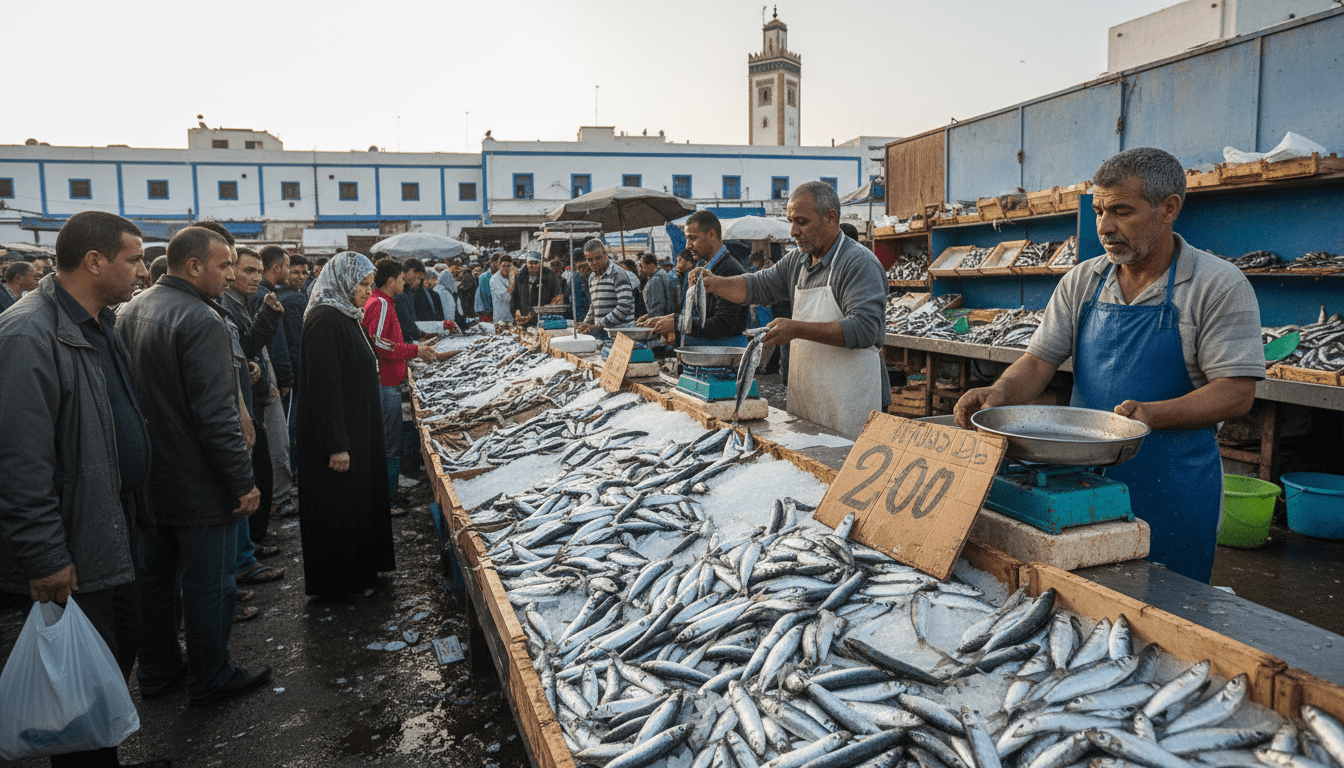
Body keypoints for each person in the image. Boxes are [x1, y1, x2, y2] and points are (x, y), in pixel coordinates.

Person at [954, 147, 1263, 583]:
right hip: (1080, 478)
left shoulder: (1218, 285)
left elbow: (1236, 392)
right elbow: (1040, 360)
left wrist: (1151, 416)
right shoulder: (1083, 280)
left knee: (1167, 608)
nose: (1104, 226)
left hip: (1173, 485)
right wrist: (998, 393)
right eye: (1099, 210)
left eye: (1121, 211)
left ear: (1168, 208)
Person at [0, 212, 173, 768]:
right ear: (95, 261)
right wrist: (46, 554)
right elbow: (20, 462)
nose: (143, 269)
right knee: (78, 686)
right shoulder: (29, 334)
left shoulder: (99, 321)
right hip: (75, 544)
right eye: (135, 258)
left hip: (113, 526)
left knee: (109, 665)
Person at [117, 226, 271, 706]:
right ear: (193, 267)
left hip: (150, 478)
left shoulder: (132, 309)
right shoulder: (200, 319)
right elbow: (215, 414)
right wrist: (241, 482)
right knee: (209, 585)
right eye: (224, 265)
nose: (230, 274)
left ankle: (159, 672)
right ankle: (211, 674)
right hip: (197, 480)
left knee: (156, 583)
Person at [696, 181, 889, 437]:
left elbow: (865, 329)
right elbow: (756, 286)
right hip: (810, 400)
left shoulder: (858, 263)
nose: (793, 231)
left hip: (852, 401)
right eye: (791, 221)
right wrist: (715, 283)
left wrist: (796, 328)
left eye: (802, 221)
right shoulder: (797, 260)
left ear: (830, 218)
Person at [297, 252, 397, 600]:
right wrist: (336, 444)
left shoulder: (346, 314)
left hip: (357, 427)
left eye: (370, 286)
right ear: (343, 282)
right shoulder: (325, 319)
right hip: (338, 437)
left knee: (357, 505)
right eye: (364, 285)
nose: (368, 294)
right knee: (338, 509)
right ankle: (341, 584)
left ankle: (363, 573)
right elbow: (323, 388)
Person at [220, 247, 289, 566]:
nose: (255, 278)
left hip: (253, 399)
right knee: (249, 476)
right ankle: (245, 553)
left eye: (258, 271)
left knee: (260, 470)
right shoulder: (223, 306)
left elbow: (247, 350)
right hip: (240, 409)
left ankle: (251, 542)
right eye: (248, 270)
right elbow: (238, 354)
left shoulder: (243, 303)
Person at [362, 258, 437, 505]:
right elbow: (380, 344)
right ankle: (388, 495)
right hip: (384, 384)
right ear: (391, 280)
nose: (405, 282)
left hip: (387, 381)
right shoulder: (381, 303)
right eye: (402, 278)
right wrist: (415, 352)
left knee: (390, 440)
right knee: (388, 443)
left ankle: (389, 491)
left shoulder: (382, 302)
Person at [645, 211, 751, 346]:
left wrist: (678, 323)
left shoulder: (729, 269)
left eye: (693, 238)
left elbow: (725, 324)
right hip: (700, 357)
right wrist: (669, 319)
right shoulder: (702, 267)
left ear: (712, 235)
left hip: (720, 360)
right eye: (687, 238)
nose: (687, 246)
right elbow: (699, 315)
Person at [576, 239, 637, 335]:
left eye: (598, 258)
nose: (594, 263)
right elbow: (594, 306)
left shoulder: (618, 274)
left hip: (622, 335)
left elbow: (624, 306)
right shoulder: (592, 277)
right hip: (602, 334)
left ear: (605, 256)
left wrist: (599, 325)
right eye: (590, 260)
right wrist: (585, 323)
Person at [511, 252, 564, 327]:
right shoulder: (520, 277)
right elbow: (515, 298)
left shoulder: (550, 277)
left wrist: (534, 314)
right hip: (523, 320)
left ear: (540, 264)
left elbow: (556, 300)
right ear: (526, 263)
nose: (533, 266)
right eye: (530, 263)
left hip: (543, 320)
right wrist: (516, 313)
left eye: (536, 263)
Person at [393, 257, 427, 342]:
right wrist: (420, 335)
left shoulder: (409, 293)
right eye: (417, 277)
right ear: (411, 271)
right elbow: (406, 324)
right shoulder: (400, 294)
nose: (418, 282)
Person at [639, 252, 678, 319]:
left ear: (650, 265)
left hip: (659, 321)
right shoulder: (662, 274)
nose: (641, 270)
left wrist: (649, 319)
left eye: (643, 267)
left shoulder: (655, 280)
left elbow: (657, 308)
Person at [490, 254, 515, 327]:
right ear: (499, 266)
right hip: (500, 319)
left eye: (508, 266)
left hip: (511, 318)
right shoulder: (495, 279)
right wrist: (512, 282)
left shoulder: (509, 276)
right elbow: (506, 298)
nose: (506, 268)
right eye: (503, 266)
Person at [476, 254, 497, 322]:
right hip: (486, 313)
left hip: (495, 312)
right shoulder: (483, 277)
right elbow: (488, 294)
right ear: (493, 263)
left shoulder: (500, 276)